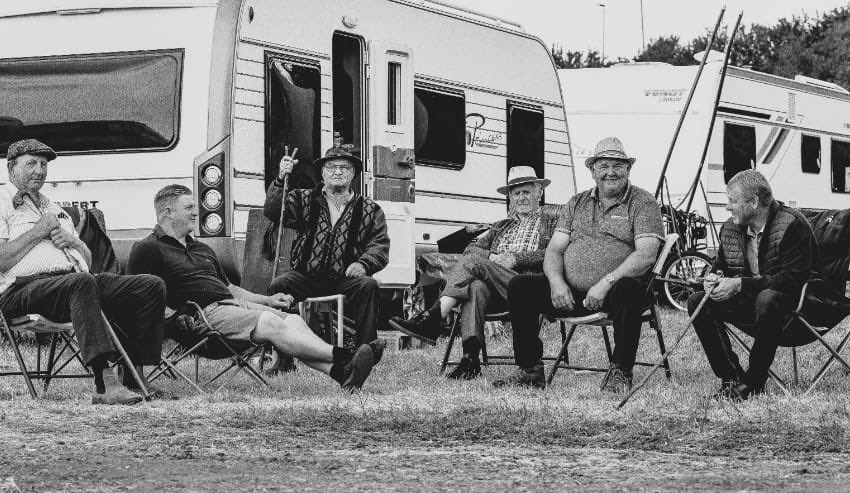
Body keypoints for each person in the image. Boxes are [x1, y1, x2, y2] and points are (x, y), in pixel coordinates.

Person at [126, 185, 384, 392]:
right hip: (200, 317)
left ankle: (341, 374)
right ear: (168, 212)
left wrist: (268, 300)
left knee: (292, 319)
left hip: (232, 308)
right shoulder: (147, 248)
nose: (196, 212)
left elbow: (230, 288)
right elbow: (141, 297)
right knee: (271, 324)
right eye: (189, 207)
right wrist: (172, 319)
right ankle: (344, 356)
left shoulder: (202, 248)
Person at [0, 139, 167, 405]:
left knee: (149, 285)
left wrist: (73, 242)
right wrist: (37, 232)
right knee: (81, 283)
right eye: (31, 164)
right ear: (11, 168)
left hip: (72, 283)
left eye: (43, 165)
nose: (39, 170)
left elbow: (87, 261)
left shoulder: (54, 208)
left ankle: (134, 376)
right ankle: (104, 383)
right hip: (20, 291)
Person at [493, 137, 664, 391]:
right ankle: (530, 369)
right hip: (571, 294)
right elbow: (554, 250)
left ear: (628, 169)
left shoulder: (643, 202)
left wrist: (605, 283)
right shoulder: (577, 202)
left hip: (616, 292)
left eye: (618, 165)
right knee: (520, 286)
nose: (610, 172)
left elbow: (646, 255)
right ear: (593, 170)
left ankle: (620, 371)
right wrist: (556, 283)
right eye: (604, 165)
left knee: (629, 288)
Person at [388, 166, 557, 379]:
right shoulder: (501, 226)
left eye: (527, 191)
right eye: (516, 193)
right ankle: (470, 360)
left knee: (474, 265)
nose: (521, 197)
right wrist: (491, 259)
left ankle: (433, 317)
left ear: (539, 192)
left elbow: (555, 253)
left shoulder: (551, 220)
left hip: (528, 287)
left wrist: (516, 258)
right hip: (496, 287)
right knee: (475, 287)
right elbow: (471, 250)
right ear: (510, 198)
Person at [687, 169, 818, 401]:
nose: (727, 207)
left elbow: (792, 278)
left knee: (767, 298)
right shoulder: (730, 228)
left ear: (754, 202)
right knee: (698, 301)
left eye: (732, 201)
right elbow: (722, 265)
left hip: (795, 306)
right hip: (754, 305)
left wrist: (740, 284)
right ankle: (731, 378)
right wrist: (713, 277)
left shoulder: (792, 224)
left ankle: (753, 382)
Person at [264, 145, 389, 372]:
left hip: (344, 277)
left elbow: (379, 246)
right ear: (322, 173)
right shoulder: (304, 199)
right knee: (279, 285)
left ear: (353, 174)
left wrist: (363, 263)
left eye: (344, 167)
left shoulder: (370, 209)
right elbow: (274, 212)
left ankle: (365, 352)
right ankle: (283, 357)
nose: (338, 172)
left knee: (368, 285)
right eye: (331, 167)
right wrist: (281, 178)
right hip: (306, 275)